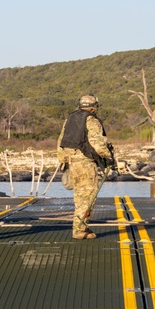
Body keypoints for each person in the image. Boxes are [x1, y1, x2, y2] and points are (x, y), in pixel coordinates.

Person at [57, 94, 114, 240]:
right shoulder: (91, 120)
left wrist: (64, 161)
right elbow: (97, 143)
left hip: (72, 163)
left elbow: (61, 142)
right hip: (85, 164)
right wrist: (108, 156)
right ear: (93, 107)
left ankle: (80, 226)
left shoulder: (69, 119)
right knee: (87, 198)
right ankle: (79, 229)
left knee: (79, 196)